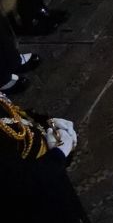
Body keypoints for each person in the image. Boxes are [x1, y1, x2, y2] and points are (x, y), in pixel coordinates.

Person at [0, 91, 88, 221]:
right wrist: (58, 154)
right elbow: (15, 187)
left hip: (55, 186)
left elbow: (15, 117)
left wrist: (48, 124)